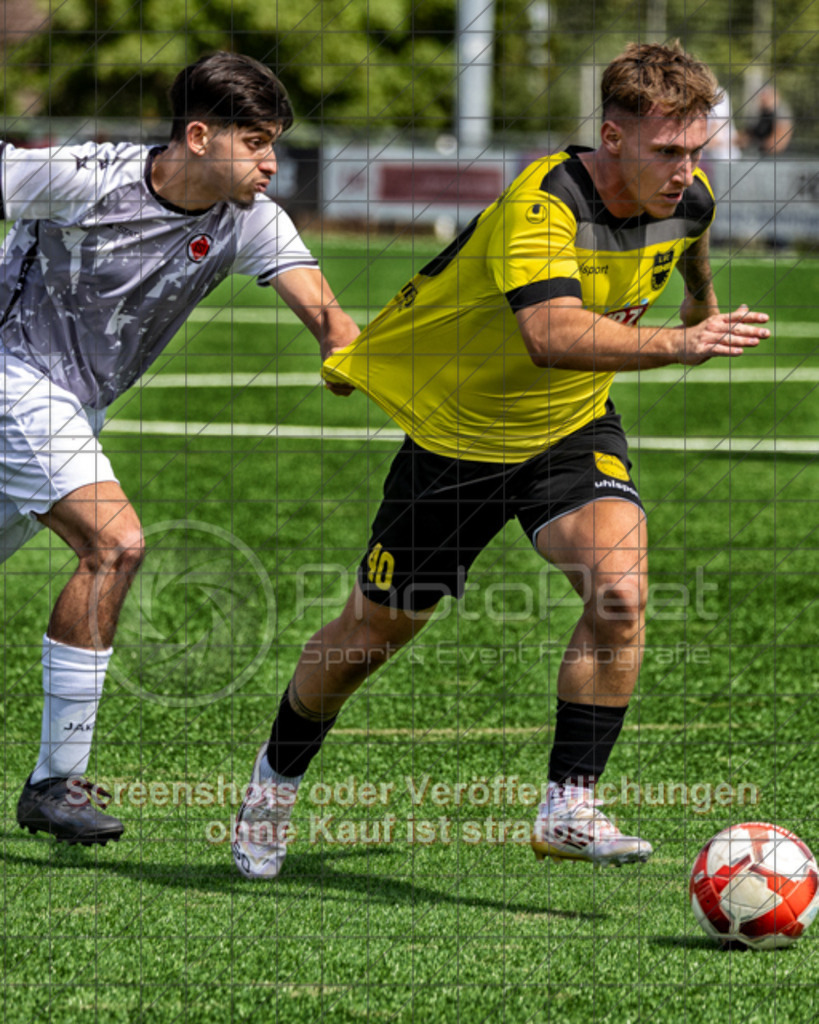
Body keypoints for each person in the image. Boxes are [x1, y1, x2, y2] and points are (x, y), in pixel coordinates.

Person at [232, 41, 770, 879]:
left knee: (620, 592)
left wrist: (703, 302)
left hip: (568, 431)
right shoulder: (542, 202)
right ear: (611, 136)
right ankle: (274, 781)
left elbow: (689, 244)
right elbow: (549, 336)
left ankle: (569, 805)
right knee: (369, 638)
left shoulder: (687, 197)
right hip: (457, 443)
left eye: (695, 150)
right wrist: (681, 340)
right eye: (667, 150)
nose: (685, 169)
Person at [2, 51, 359, 846]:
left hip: (71, 408)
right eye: (258, 142)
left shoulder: (251, 220)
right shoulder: (84, 177)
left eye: (275, 144)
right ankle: (54, 781)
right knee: (115, 544)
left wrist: (355, 364)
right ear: (199, 135)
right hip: (12, 377)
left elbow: (333, 324)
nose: (273, 162)